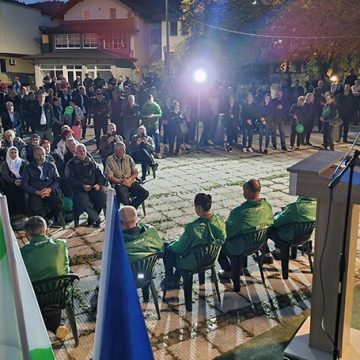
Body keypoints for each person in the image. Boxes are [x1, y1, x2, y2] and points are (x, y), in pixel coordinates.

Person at [21, 216, 70, 341]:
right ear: (47, 231)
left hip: (37, 299)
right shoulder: (61, 244)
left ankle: (48, 327)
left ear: (27, 236)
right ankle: (55, 326)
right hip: (62, 295)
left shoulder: (22, 253)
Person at [162, 193, 226, 289]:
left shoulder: (193, 228)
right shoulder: (219, 220)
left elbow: (179, 247)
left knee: (168, 249)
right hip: (211, 259)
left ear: (199, 208)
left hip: (193, 262)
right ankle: (175, 278)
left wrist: (172, 244)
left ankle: (170, 280)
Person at [218, 179, 274, 278]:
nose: (243, 194)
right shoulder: (267, 206)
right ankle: (242, 266)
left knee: (219, 244)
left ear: (248, 192)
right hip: (259, 244)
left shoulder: (239, 212)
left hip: (241, 248)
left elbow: (227, 233)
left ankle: (228, 270)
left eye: (244, 191)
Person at [65, 144, 106, 227]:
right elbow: (70, 179)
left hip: (93, 187)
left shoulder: (91, 162)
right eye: (80, 151)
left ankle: (92, 218)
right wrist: (82, 185)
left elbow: (100, 175)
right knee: (84, 200)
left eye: (84, 151)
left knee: (102, 197)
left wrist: (99, 184)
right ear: (75, 153)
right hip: (79, 188)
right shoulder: (71, 164)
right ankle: (96, 219)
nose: (82, 153)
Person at [21, 146, 63, 224]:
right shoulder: (28, 167)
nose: (42, 157)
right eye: (39, 155)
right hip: (36, 192)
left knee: (59, 206)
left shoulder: (51, 165)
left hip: (49, 191)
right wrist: (37, 192)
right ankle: (44, 223)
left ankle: (47, 219)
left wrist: (50, 189)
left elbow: (57, 180)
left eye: (43, 154)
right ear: (34, 155)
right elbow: (24, 184)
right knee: (35, 208)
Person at [105, 141, 149, 209]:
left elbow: (135, 172)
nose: (123, 151)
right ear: (116, 150)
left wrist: (129, 180)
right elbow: (109, 176)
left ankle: (130, 209)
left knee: (145, 193)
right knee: (125, 200)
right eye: (121, 149)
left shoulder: (128, 158)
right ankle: (129, 212)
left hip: (130, 181)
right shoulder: (109, 160)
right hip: (118, 184)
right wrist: (122, 182)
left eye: (124, 149)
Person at [0, 146, 26, 216]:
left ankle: (23, 213)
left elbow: (26, 174)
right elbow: (5, 176)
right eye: (11, 153)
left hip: (22, 183)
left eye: (15, 152)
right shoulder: (4, 164)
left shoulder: (22, 162)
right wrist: (14, 181)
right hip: (9, 184)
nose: (14, 154)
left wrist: (21, 181)